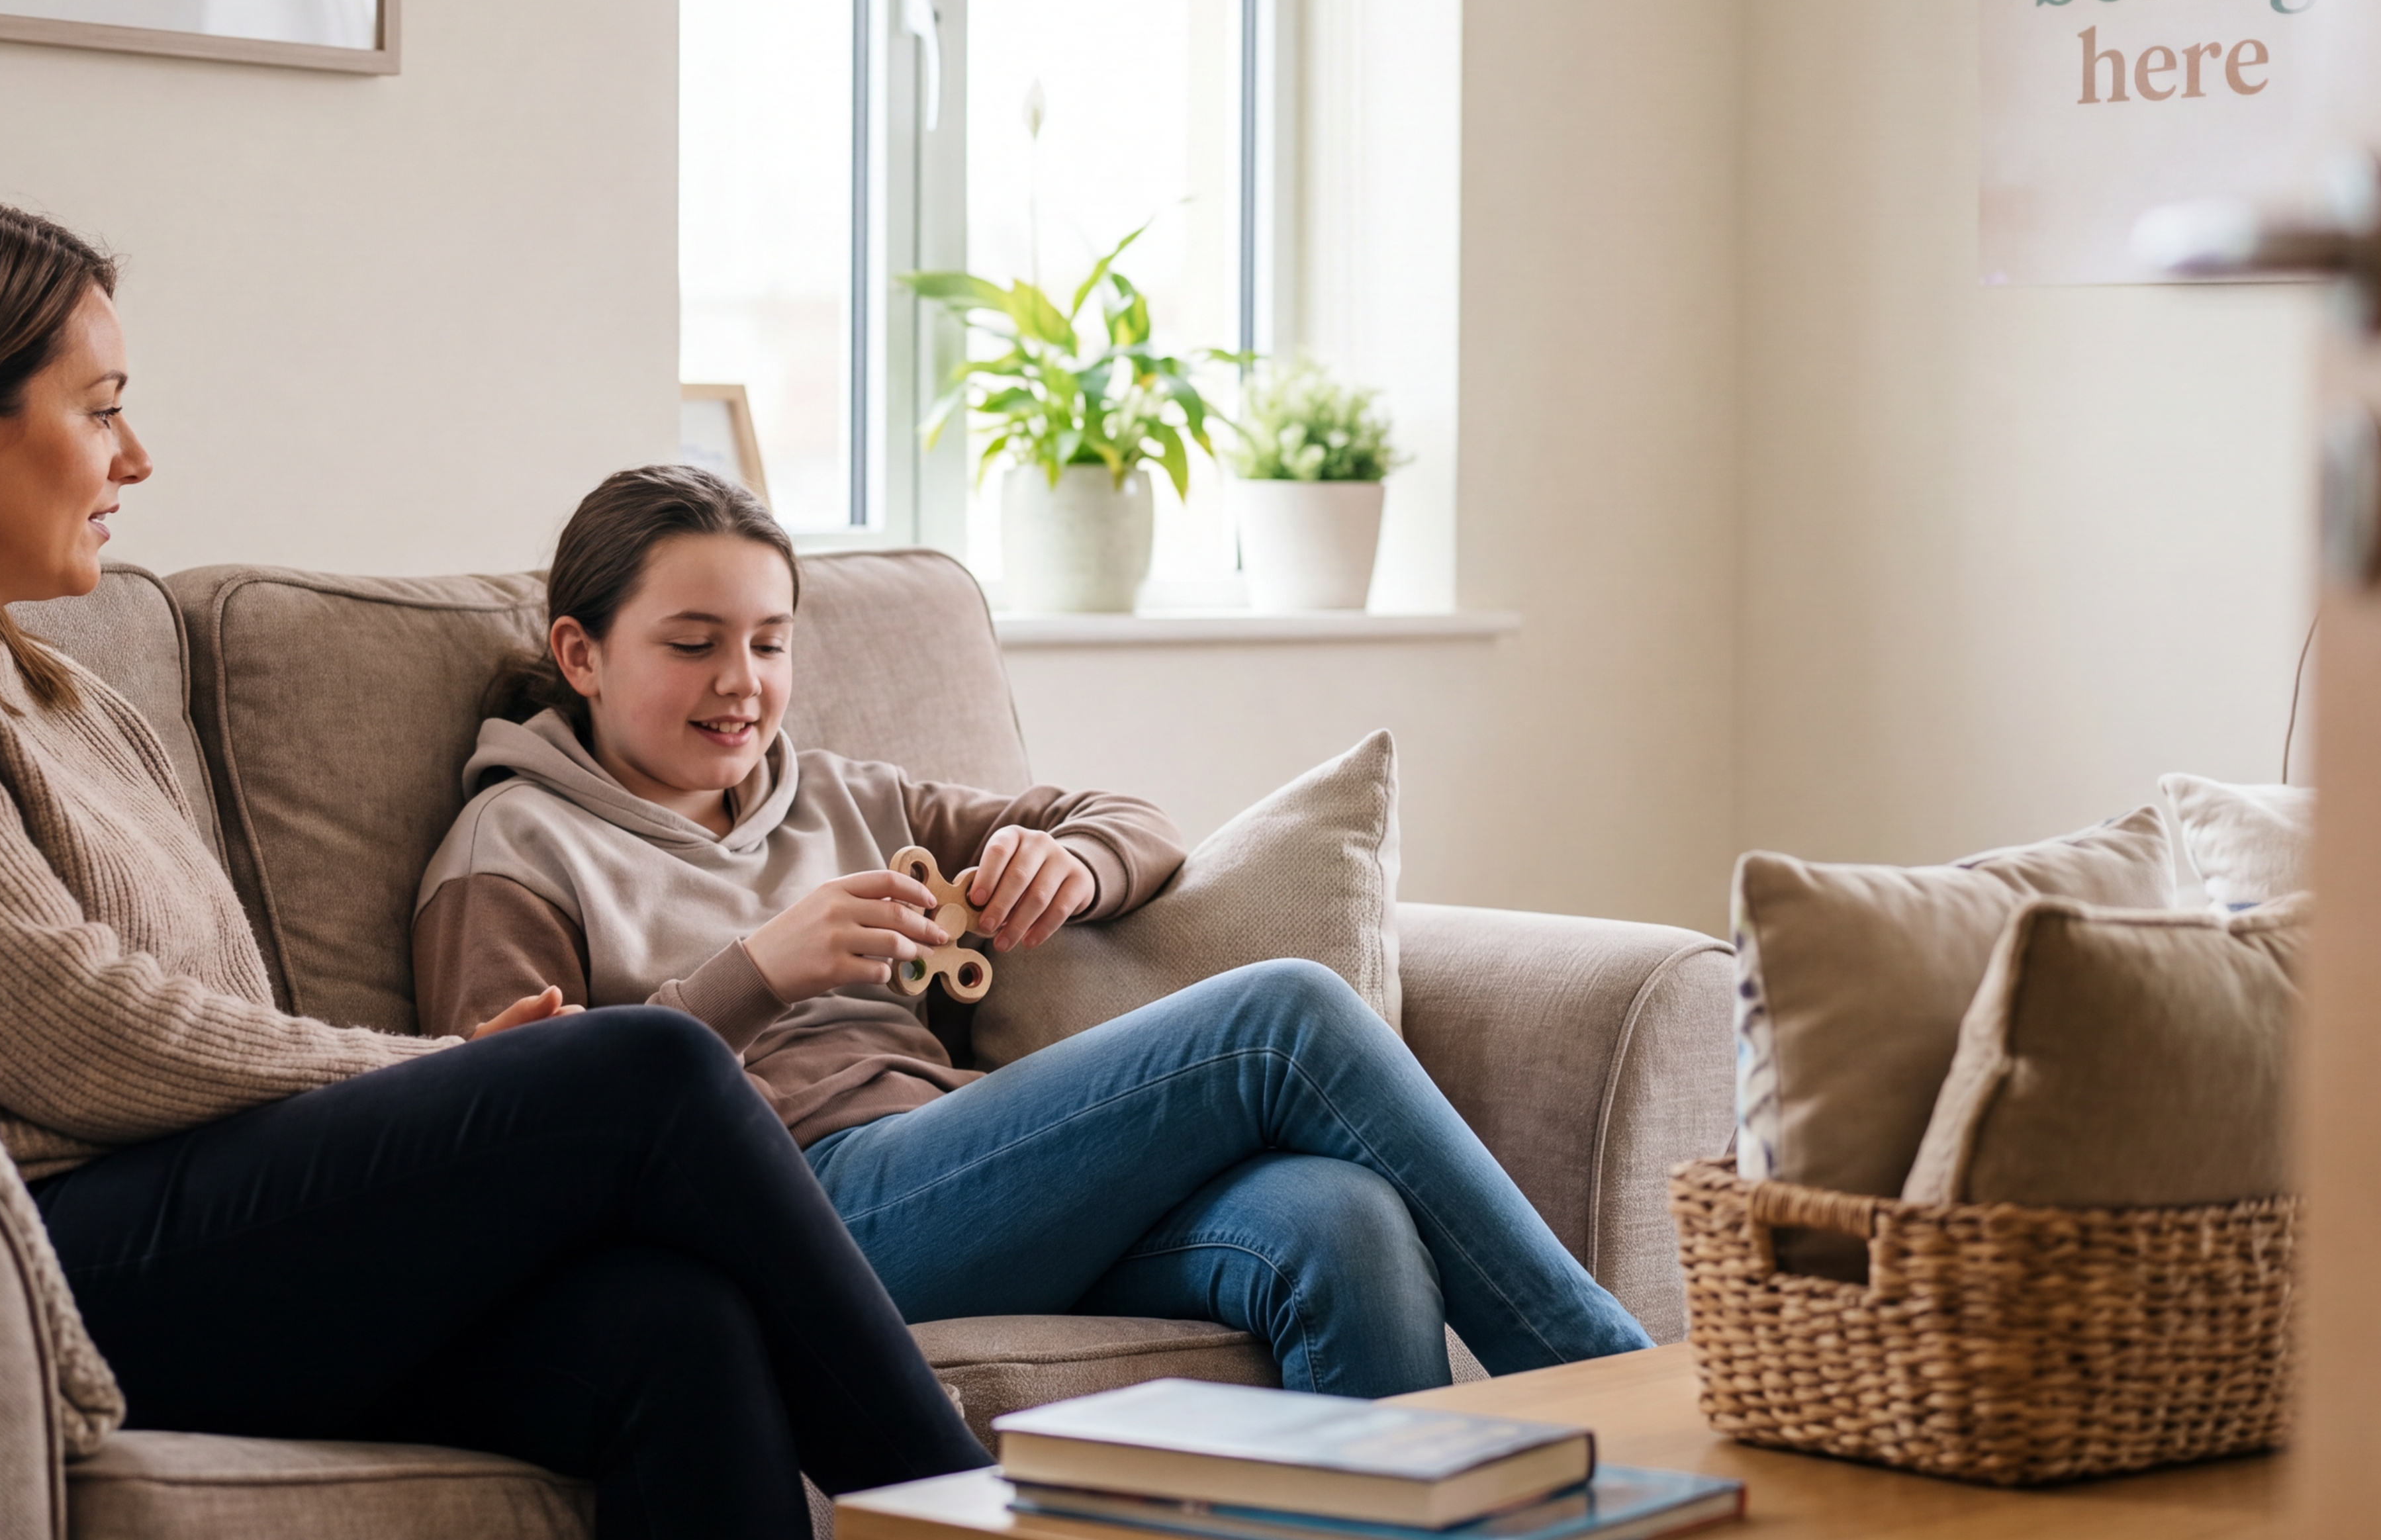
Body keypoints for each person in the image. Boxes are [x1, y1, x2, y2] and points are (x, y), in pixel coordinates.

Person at [0, 194, 989, 1540]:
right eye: (101, 412)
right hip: (20, 1255)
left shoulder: (57, 697)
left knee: (679, 1329)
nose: (135, 461)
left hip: (174, 1230)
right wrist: (432, 1076)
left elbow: (206, 1013)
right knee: (648, 1068)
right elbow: (75, 1032)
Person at [414, 465, 1654, 1398]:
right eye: (693, 645)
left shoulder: (851, 795)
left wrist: (1064, 861)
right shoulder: (515, 843)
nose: (742, 680)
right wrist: (759, 971)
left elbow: (1133, 819)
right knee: (1283, 1019)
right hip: (784, 1207)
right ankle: (1623, 1392)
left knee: (1339, 1219)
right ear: (579, 653)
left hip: (970, 1174)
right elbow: (507, 1121)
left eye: (770, 643)